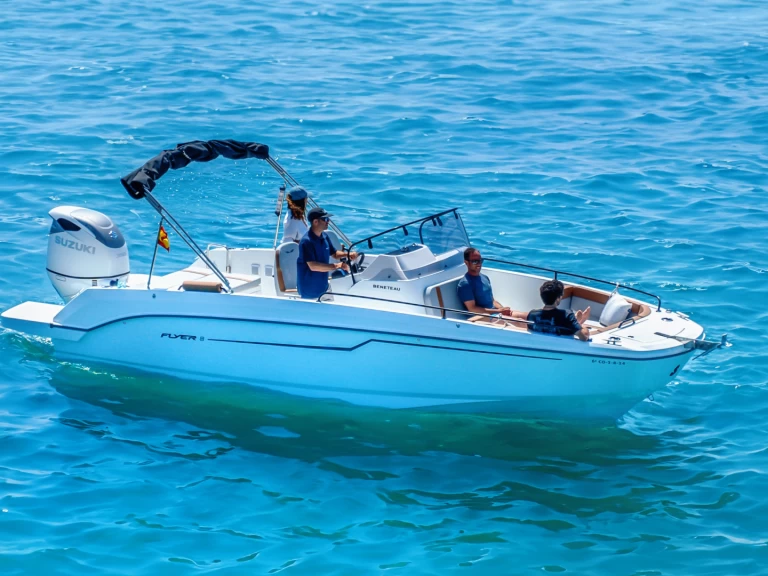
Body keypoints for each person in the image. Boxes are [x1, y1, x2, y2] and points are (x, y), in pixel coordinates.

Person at [296, 207, 358, 299]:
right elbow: (313, 266)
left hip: (323, 287)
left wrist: (348, 254)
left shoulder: (324, 236)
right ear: (315, 222)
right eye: (325, 219)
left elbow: (334, 254)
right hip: (309, 289)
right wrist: (337, 266)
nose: (328, 221)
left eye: (328, 219)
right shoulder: (306, 242)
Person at [458, 247, 524, 319]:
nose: (479, 264)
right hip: (482, 318)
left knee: (527, 316)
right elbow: (472, 309)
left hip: (494, 314)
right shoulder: (465, 284)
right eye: (475, 261)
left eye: (480, 260)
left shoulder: (485, 278)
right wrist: (498, 311)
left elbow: (492, 301)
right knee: (521, 321)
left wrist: (503, 310)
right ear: (466, 262)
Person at [523, 279, 591, 341]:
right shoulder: (566, 315)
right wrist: (581, 326)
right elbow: (584, 336)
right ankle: (578, 322)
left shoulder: (532, 314)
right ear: (558, 298)